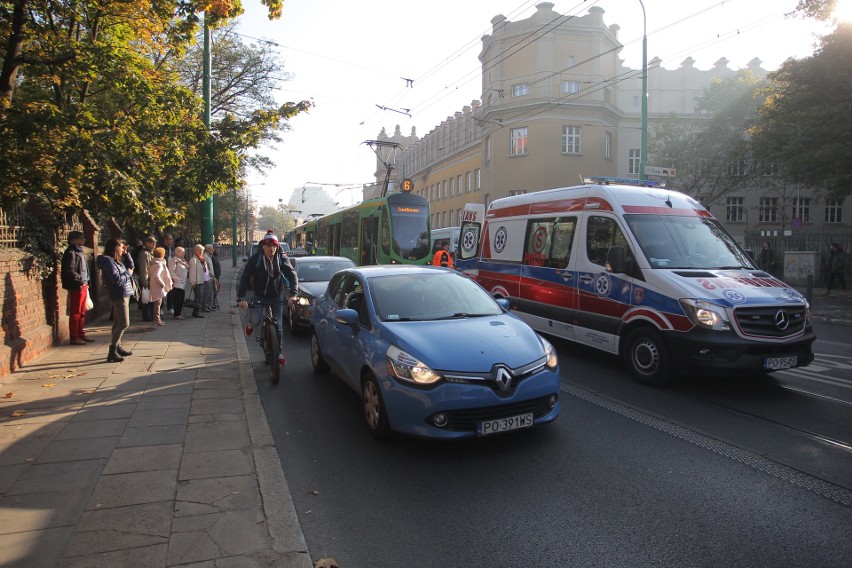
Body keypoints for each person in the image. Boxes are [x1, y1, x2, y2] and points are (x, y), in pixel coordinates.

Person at [237, 232, 298, 368]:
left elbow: (291, 275)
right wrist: (241, 298)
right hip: (259, 295)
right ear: (263, 246)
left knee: (279, 326)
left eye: (274, 246)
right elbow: (245, 278)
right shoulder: (256, 259)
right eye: (268, 246)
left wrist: (293, 294)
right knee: (256, 320)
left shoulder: (281, 258)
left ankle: (279, 353)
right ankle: (250, 324)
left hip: (276, 295)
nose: (272, 249)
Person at [97, 238, 135, 362]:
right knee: (124, 323)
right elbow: (116, 279)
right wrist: (128, 273)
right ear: (114, 247)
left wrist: (126, 254)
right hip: (119, 295)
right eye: (120, 246)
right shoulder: (108, 262)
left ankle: (117, 346)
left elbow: (131, 266)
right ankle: (112, 351)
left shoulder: (115, 261)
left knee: (118, 322)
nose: (122, 248)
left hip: (124, 293)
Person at [61, 230, 94, 345]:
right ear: (74, 240)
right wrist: (80, 279)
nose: (84, 239)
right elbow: (69, 271)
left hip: (83, 284)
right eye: (81, 237)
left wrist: (87, 280)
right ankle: (74, 336)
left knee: (82, 311)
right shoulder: (71, 252)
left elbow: (84, 268)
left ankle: (81, 333)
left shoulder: (79, 251)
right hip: (77, 286)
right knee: (76, 312)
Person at [148, 247, 173, 326]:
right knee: (158, 303)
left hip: (155, 285)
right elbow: (156, 275)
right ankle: (157, 319)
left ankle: (157, 319)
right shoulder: (159, 264)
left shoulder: (154, 263)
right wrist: (161, 283)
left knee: (157, 303)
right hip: (158, 286)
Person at [188, 244, 211, 318]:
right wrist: (193, 282)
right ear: (196, 251)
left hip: (202, 280)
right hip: (197, 281)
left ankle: (197, 311)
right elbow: (192, 272)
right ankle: (196, 312)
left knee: (200, 297)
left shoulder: (201, 259)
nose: (202, 252)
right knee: (198, 297)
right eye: (200, 250)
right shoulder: (193, 260)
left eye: (202, 250)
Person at [136, 235, 156, 322]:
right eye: (152, 242)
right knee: (146, 298)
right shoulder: (144, 254)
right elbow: (144, 268)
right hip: (147, 279)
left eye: (155, 242)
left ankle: (151, 314)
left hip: (151, 279)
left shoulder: (150, 253)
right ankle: (147, 315)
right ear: (147, 243)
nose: (154, 244)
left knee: (151, 298)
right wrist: (144, 282)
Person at [169, 246, 189, 320]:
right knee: (178, 299)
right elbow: (171, 272)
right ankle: (177, 314)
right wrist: (177, 279)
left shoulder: (182, 260)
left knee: (181, 299)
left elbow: (187, 267)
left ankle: (179, 313)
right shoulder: (174, 260)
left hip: (182, 283)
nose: (184, 253)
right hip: (177, 283)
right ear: (177, 252)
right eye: (182, 252)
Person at [161, 234, 175, 314]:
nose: (171, 241)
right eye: (170, 239)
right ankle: (161, 308)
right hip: (163, 272)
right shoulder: (162, 249)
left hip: (171, 272)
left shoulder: (173, 250)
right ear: (165, 240)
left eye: (172, 239)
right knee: (162, 290)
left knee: (170, 290)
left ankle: (170, 307)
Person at [205, 244, 221, 310]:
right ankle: (209, 305)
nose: (216, 250)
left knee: (214, 291)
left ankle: (212, 304)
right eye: (216, 248)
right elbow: (206, 268)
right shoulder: (207, 256)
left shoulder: (212, 256)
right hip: (211, 277)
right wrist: (212, 274)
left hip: (215, 276)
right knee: (210, 292)